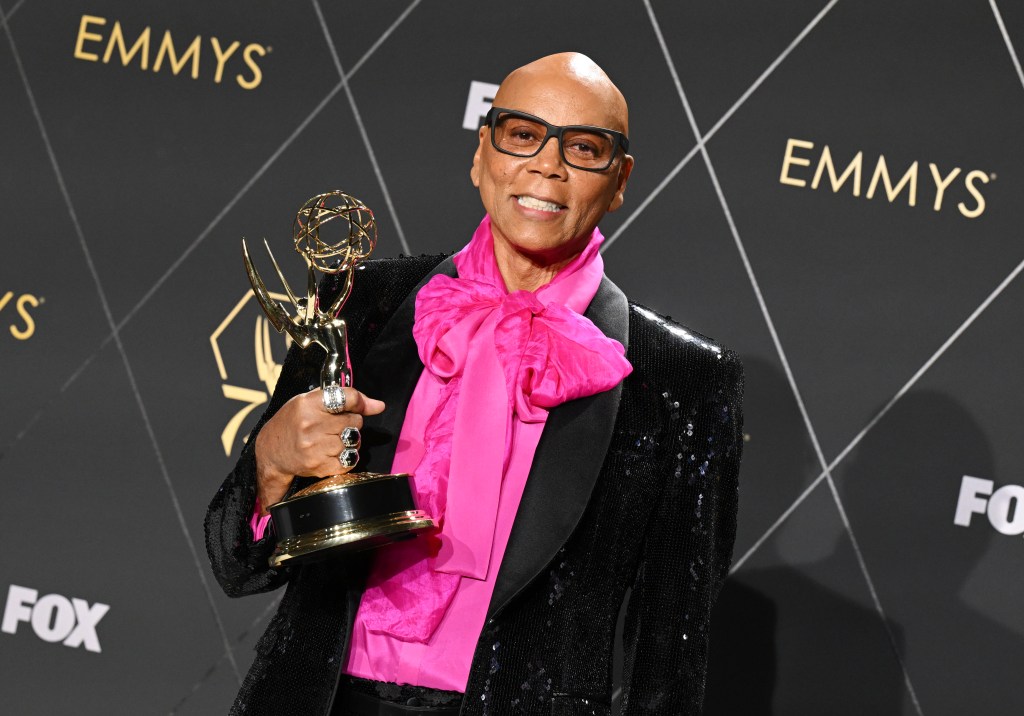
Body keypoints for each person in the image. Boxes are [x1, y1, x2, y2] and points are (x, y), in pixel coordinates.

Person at [206, 52, 743, 716]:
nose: (546, 164)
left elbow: (670, 653)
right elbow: (236, 562)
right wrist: (271, 466)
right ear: (481, 152)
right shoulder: (361, 307)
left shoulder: (681, 381)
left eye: (583, 148)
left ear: (620, 179)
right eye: (522, 134)